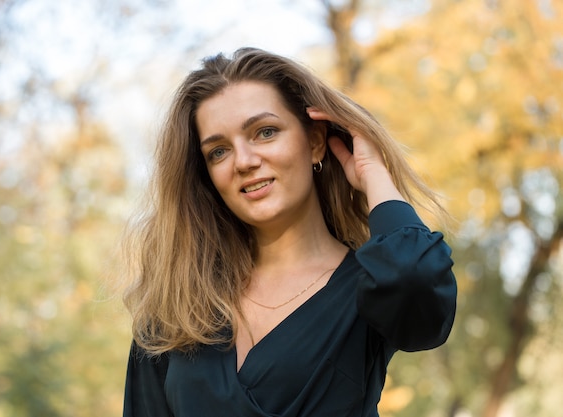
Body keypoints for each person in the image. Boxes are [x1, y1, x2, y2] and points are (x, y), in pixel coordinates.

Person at [120, 47, 457, 417]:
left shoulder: (372, 285)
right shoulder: (176, 305)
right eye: (218, 151)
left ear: (314, 142)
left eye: (265, 132)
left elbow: (418, 282)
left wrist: (372, 172)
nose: (244, 161)